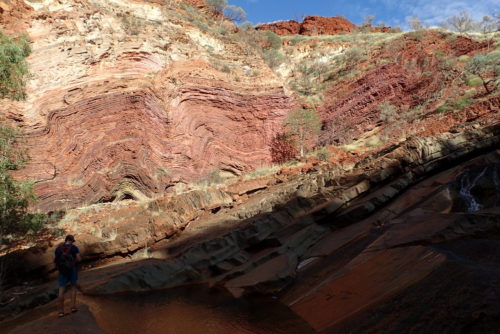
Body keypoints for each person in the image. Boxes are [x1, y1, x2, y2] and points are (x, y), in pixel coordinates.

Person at [54, 234, 81, 317]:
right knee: (73, 287)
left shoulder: (58, 249)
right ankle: (73, 307)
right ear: (72, 241)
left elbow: (55, 260)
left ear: (65, 240)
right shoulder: (74, 248)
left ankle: (61, 311)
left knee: (61, 289)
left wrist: (59, 268)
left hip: (62, 271)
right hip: (72, 269)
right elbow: (79, 259)